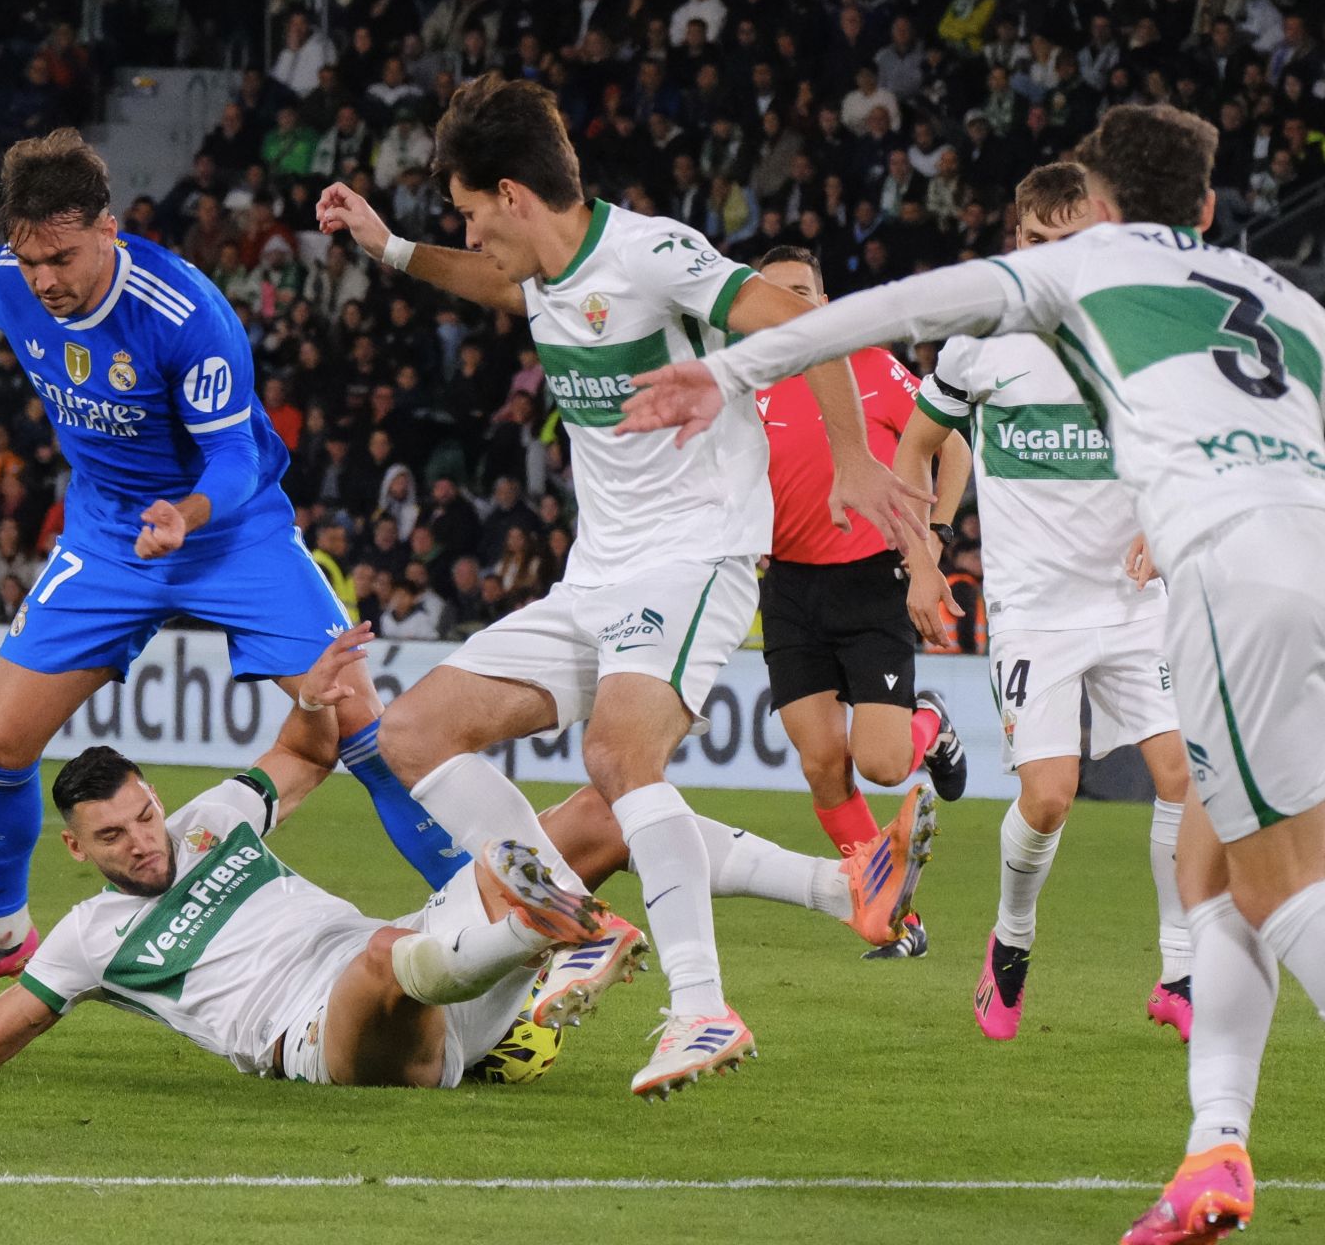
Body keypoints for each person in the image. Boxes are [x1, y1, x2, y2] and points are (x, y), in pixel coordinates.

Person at [616, 103, 1325, 1245]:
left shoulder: (1077, 268)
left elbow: (894, 308)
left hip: (1231, 569)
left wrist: (731, 367)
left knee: (1282, 887)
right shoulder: (1272, 290)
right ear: (1203, 204)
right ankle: (1214, 1147)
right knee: (1210, 867)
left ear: (1094, 203)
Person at [315, 74, 928, 1098]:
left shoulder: (650, 254)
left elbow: (796, 318)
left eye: (470, 211)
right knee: (413, 731)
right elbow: (497, 285)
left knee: (616, 756)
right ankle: (569, 913)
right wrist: (386, 248)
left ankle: (701, 1006)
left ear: (513, 193)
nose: (469, 231)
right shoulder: (543, 274)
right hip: (597, 571)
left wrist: (854, 456)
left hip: (696, 558)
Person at [0, 128, 452, 1016]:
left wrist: (187, 515)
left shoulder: (186, 314)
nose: (45, 281)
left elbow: (233, 462)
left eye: (61, 258)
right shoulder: (16, 280)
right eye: (30, 262)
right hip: (107, 538)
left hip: (229, 534)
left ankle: (483, 919)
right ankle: (2, 937)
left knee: (362, 729)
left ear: (109, 228)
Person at [0, 627, 939, 1089]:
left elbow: (306, 753)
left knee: (596, 810)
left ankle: (840, 885)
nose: (141, 840)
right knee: (378, 956)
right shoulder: (87, 938)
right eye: (113, 837)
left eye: (142, 815)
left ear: (156, 798)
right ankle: (548, 930)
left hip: (439, 968)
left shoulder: (216, 819)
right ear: (76, 853)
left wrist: (312, 694)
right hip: (330, 1036)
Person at [893, 162, 1196, 1042]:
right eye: (1035, 243)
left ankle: (1178, 969)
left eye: (1069, 246)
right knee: (1052, 797)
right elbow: (916, 450)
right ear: (1014, 239)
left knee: (1185, 777)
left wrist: (1163, 523)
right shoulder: (979, 338)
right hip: (1036, 611)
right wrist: (923, 555)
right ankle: (1012, 939)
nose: (1048, 260)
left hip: (1138, 604)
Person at [749, 246, 972, 967]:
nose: (795, 304)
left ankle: (928, 723)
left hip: (872, 578)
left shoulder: (870, 366)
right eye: (778, 292)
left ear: (824, 297)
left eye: (805, 291)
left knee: (879, 764)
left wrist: (931, 548)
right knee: (822, 765)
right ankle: (888, 910)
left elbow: (955, 448)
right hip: (788, 589)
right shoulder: (746, 386)